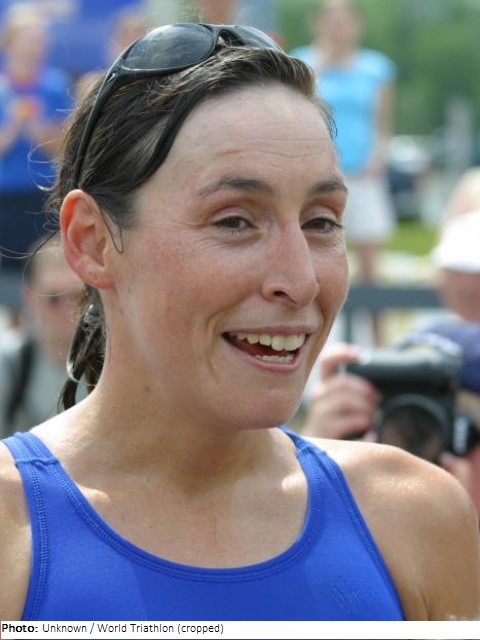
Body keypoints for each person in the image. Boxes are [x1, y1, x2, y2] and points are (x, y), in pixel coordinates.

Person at [0, 23, 478, 622]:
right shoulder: (13, 530)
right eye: (233, 221)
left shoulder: (412, 516)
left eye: (321, 221)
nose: (300, 280)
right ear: (92, 241)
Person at [290, 0, 397, 284]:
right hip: (318, 168)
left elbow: (382, 120)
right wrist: (323, 61)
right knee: (316, 246)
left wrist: (378, 156)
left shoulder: (375, 68)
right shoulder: (305, 61)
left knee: (369, 253)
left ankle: (372, 311)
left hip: (361, 169)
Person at [0, 3, 72, 272]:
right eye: (30, 39)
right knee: (7, 272)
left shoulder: (56, 85)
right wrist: (14, 126)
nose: (36, 46)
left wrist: (37, 129)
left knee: (43, 268)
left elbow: (65, 146)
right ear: (10, 42)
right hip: (4, 195)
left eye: (40, 40)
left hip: (42, 193)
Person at [0, 235, 83, 438]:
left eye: (77, 296)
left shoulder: (115, 368)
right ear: (30, 297)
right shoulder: (8, 365)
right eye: (53, 298)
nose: (68, 309)